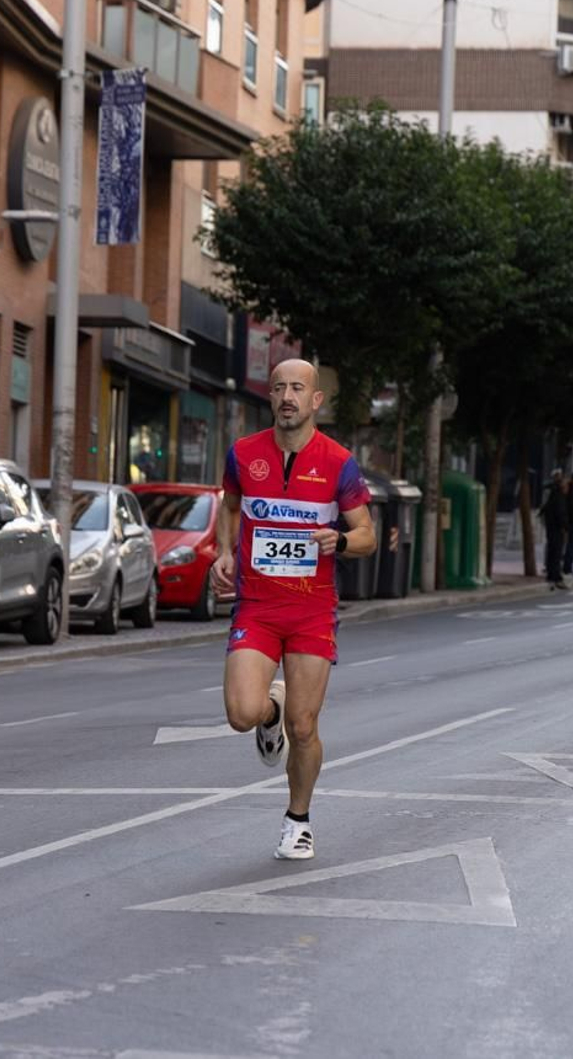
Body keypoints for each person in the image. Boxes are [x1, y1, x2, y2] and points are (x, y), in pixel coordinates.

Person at [212, 359, 376, 861]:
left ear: (315, 400)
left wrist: (341, 539)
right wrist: (224, 551)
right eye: (280, 387)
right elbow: (231, 505)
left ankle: (297, 821)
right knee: (242, 713)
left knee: (304, 728)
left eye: (297, 388)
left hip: (311, 610)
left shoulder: (339, 463)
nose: (287, 396)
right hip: (257, 606)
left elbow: (367, 536)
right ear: (272, 397)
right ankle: (269, 712)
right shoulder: (243, 453)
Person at [540, 470, 569, 591]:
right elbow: (560, 513)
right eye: (566, 485)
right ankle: (555, 577)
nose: (567, 488)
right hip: (556, 528)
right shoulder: (558, 497)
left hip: (551, 527)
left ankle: (553, 576)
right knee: (556, 553)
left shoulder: (553, 495)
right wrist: (564, 527)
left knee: (553, 552)